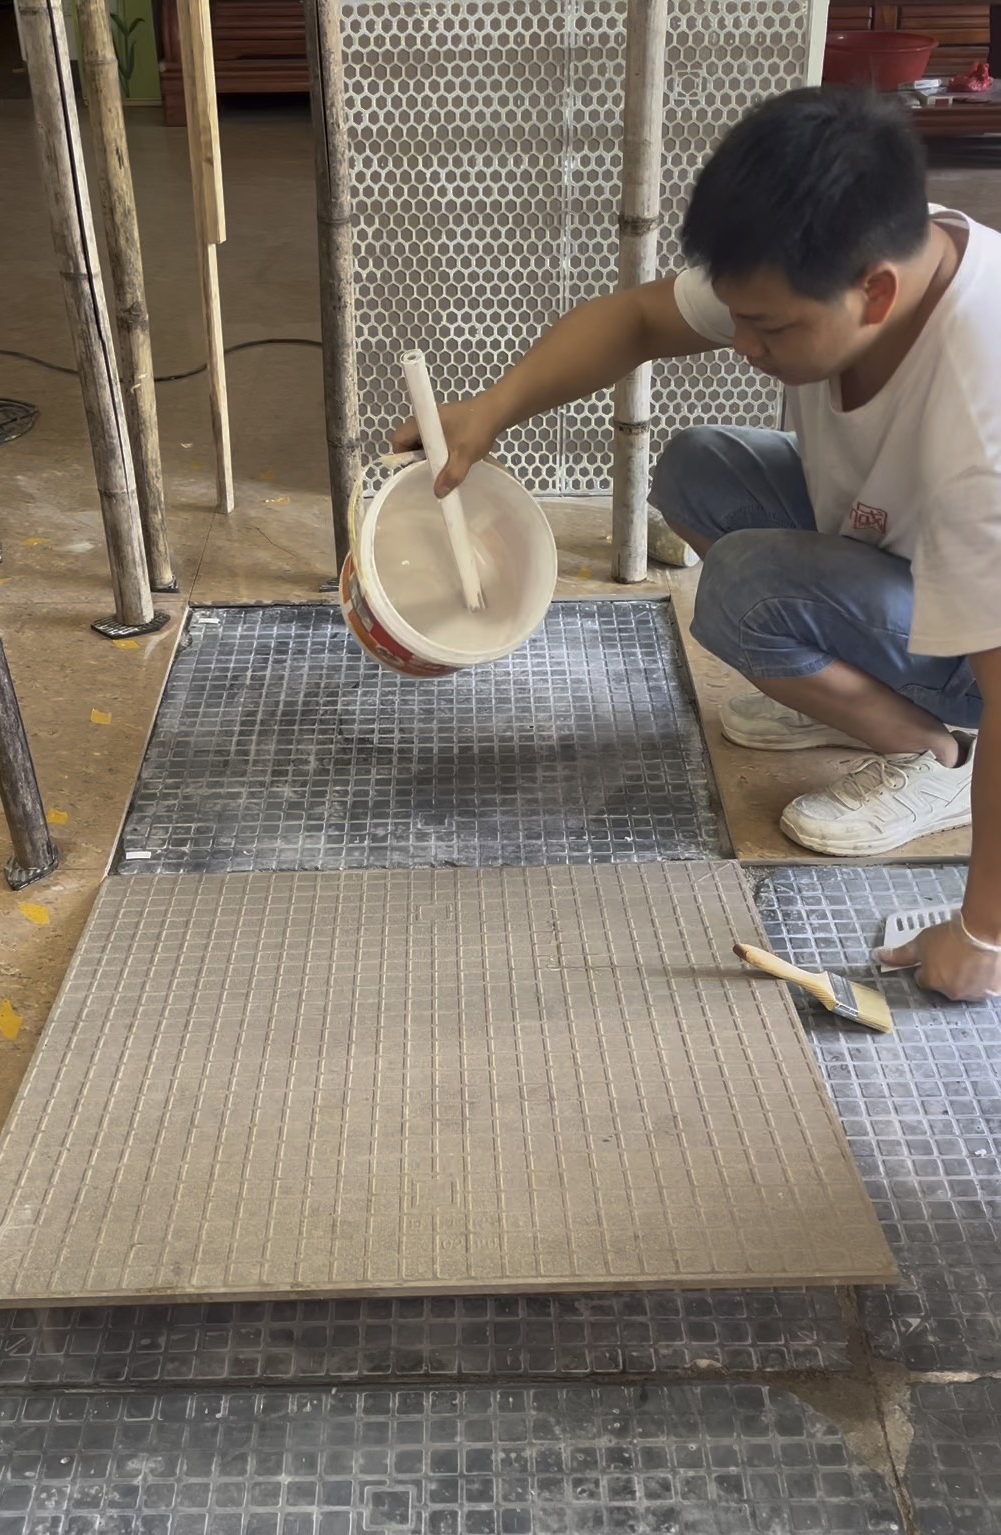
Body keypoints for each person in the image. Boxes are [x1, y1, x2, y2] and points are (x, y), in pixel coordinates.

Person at [392, 86, 1001, 1003]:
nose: (743, 344)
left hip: (982, 646)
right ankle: (854, 693)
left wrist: (984, 931)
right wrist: (493, 409)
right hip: (908, 550)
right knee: (696, 468)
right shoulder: (852, 251)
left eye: (770, 327)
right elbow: (637, 321)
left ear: (875, 293)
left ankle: (938, 756)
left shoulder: (982, 421)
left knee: (746, 590)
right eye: (737, 316)